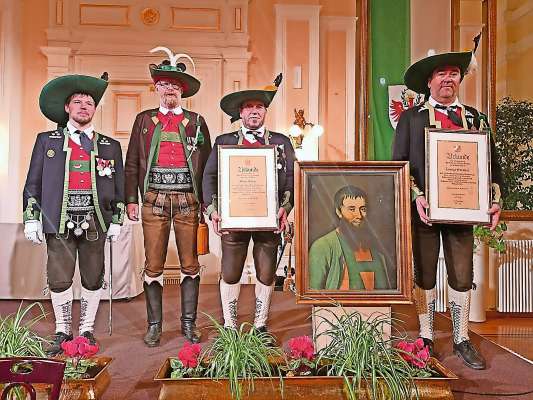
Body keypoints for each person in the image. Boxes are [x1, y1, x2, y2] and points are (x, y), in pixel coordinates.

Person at [392, 37, 503, 370]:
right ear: (430, 82)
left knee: (461, 273)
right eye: (440, 73)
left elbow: (492, 167)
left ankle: (461, 337)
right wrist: (417, 196)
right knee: (424, 273)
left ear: (459, 79)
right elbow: (400, 165)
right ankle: (426, 336)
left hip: (462, 212)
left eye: (454, 73)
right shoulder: (410, 119)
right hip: (425, 213)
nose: (447, 79)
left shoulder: (475, 119)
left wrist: (494, 200)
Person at [23, 73, 125, 355]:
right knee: (59, 279)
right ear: (67, 108)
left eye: (89, 102)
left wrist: (116, 220)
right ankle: (62, 330)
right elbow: (33, 182)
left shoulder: (110, 146)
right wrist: (31, 217)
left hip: (97, 221)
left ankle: (87, 329)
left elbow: (119, 186)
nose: (83, 106)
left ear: (95, 109)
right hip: (58, 221)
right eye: (77, 102)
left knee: (93, 278)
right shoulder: (47, 141)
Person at [124, 48, 211, 346]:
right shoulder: (144, 120)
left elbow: (208, 166)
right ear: (157, 87)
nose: (170, 88)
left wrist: (208, 205)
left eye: (176, 84)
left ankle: (189, 324)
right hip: (152, 201)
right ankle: (154, 326)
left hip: (188, 201)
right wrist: (131, 200)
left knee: (191, 263)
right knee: (153, 265)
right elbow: (132, 162)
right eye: (164, 83)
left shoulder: (197, 122)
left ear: (182, 89)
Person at [202, 74, 295, 332]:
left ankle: (260, 324)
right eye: (249, 107)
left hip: (269, 219)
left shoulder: (282, 142)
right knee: (231, 272)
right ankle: (230, 325)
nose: (254, 112)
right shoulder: (224, 142)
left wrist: (285, 209)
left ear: (265, 112)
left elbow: (292, 179)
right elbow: (209, 177)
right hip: (233, 219)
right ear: (240, 113)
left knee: (266, 273)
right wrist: (213, 211)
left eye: (259, 107)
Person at [308, 185, 392, 290]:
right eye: (352, 209)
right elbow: (313, 297)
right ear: (339, 212)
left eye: (363, 209)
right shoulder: (322, 247)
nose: (359, 215)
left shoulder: (378, 253)